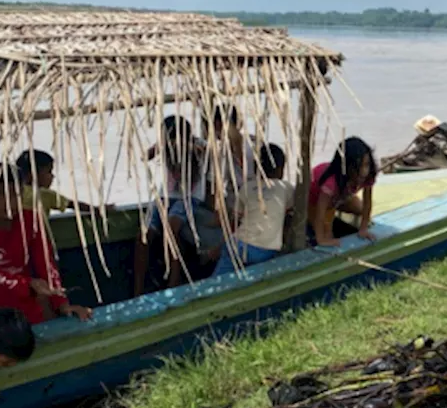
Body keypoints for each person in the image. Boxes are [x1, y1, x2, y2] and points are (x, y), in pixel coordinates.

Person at [0, 164, 92, 325]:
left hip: (25, 305)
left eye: (16, 195)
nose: (10, 203)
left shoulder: (31, 220)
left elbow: (47, 265)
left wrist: (62, 303)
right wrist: (27, 284)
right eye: (1, 196)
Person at [134, 115, 219, 294]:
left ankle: (174, 281)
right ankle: (138, 289)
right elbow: (146, 156)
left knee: (172, 228)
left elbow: (208, 152)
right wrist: (165, 145)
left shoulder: (199, 146)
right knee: (143, 236)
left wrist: (188, 147)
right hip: (165, 196)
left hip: (189, 198)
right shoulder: (165, 145)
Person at [213, 144, 293, 276]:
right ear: (281, 169)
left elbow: (235, 221)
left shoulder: (246, 187)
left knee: (218, 280)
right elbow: (289, 217)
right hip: (264, 249)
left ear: (256, 167)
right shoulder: (286, 188)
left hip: (237, 244)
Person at [308, 137, 377, 248]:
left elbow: (367, 203)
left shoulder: (368, 175)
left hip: (341, 194)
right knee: (328, 235)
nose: (364, 172)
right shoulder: (331, 182)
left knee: (359, 209)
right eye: (358, 167)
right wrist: (321, 239)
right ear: (346, 167)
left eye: (367, 165)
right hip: (314, 199)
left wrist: (363, 228)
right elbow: (321, 211)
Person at [15, 150, 111, 224]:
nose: (52, 176)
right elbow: (72, 204)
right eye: (49, 172)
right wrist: (96, 209)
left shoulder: (12, 192)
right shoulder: (45, 195)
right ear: (34, 173)